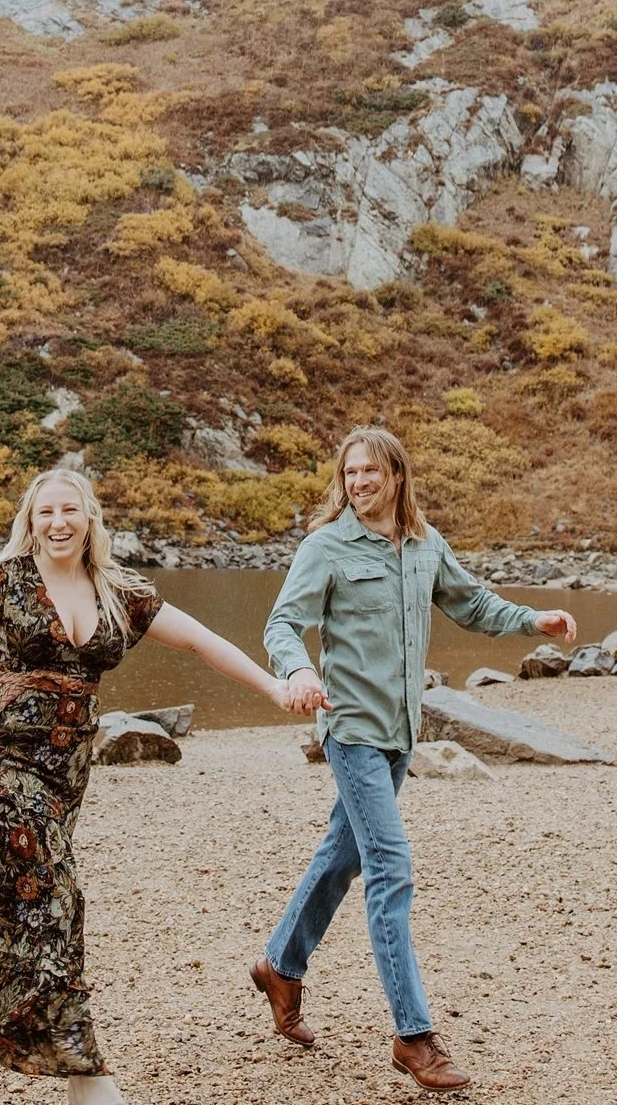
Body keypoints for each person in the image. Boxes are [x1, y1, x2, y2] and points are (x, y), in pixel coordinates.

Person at [0, 465, 307, 1105]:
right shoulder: (0, 579)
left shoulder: (120, 592)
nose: (58, 523)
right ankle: (87, 1079)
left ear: (89, 518)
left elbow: (203, 643)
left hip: (62, 778)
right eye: (45, 513)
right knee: (54, 907)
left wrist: (273, 687)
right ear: (30, 521)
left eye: (69, 511)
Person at [252, 425, 576, 1094]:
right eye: (349, 474)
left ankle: (280, 966)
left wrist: (533, 620)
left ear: (396, 476)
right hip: (351, 730)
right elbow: (281, 624)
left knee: (342, 855)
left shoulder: (426, 547)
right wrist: (298, 672)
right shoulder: (326, 546)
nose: (360, 483)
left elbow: (473, 605)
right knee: (389, 870)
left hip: (401, 734)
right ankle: (413, 1036)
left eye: (371, 472)